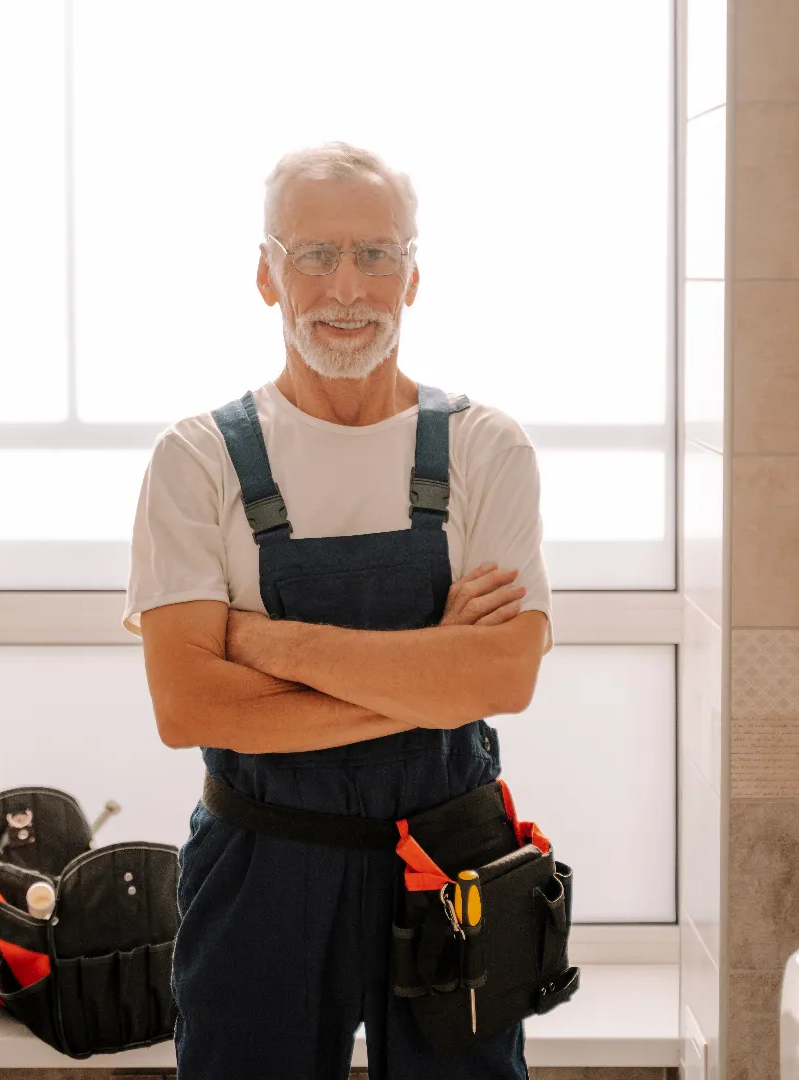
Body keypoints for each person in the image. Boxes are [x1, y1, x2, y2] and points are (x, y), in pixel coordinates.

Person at [123, 142, 552, 1079]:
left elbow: (504, 677)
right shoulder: (196, 460)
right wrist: (430, 674)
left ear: (414, 275)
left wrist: (263, 642)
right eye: (314, 256)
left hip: (454, 870)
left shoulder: (487, 449)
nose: (346, 287)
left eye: (376, 255)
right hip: (262, 871)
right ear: (267, 275)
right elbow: (189, 707)